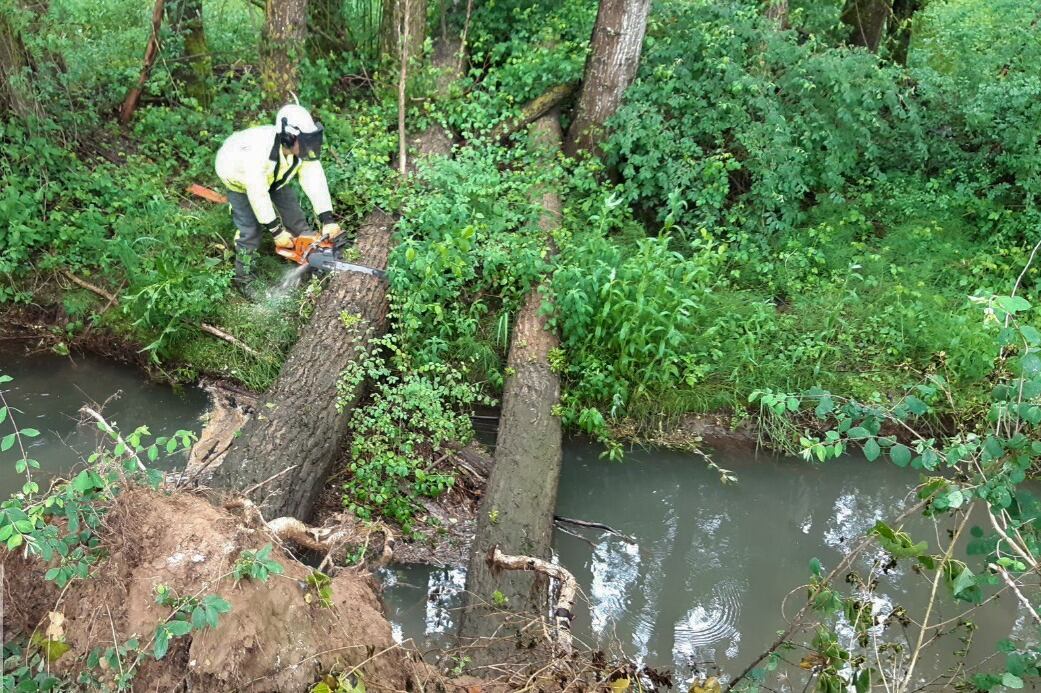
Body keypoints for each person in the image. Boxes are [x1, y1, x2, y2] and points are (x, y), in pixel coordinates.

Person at [215, 103, 342, 296]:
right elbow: (257, 192)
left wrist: (327, 219)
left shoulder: (301, 151)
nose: (309, 145)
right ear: (288, 136)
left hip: (276, 178)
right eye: (305, 141)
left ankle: (312, 257)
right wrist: (276, 232)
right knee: (250, 231)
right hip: (238, 178)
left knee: (296, 220)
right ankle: (243, 279)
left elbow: (314, 178)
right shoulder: (257, 155)